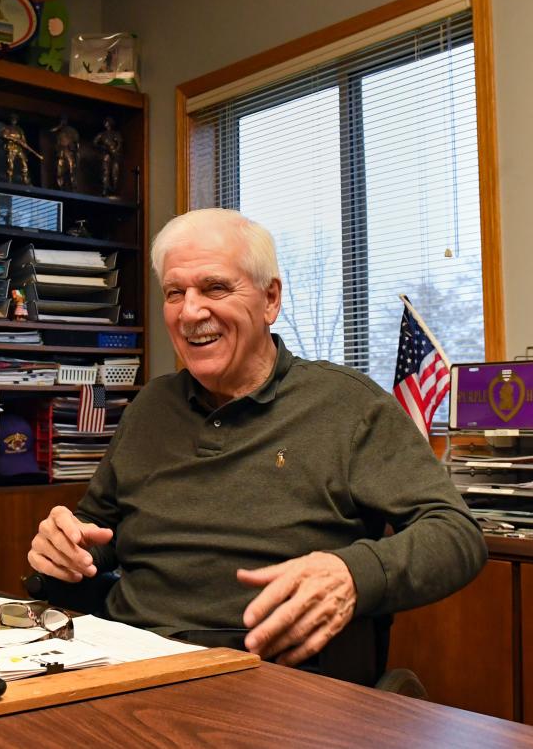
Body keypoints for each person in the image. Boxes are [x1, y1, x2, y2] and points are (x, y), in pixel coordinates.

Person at [28, 208, 486, 674]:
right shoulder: (150, 406)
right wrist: (67, 545)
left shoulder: (348, 406)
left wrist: (352, 573)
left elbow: (455, 534)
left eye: (215, 288)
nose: (190, 312)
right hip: (126, 660)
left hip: (274, 675)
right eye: (174, 293)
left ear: (270, 300)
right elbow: (99, 530)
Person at [93, 117, 123, 196]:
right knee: (105, 171)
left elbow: (119, 143)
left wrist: (115, 151)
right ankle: (105, 189)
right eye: (105, 122)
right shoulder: (101, 134)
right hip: (105, 154)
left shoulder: (115, 133)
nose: (106, 123)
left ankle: (114, 189)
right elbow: (94, 143)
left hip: (114, 154)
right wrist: (102, 147)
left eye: (107, 122)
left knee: (114, 172)